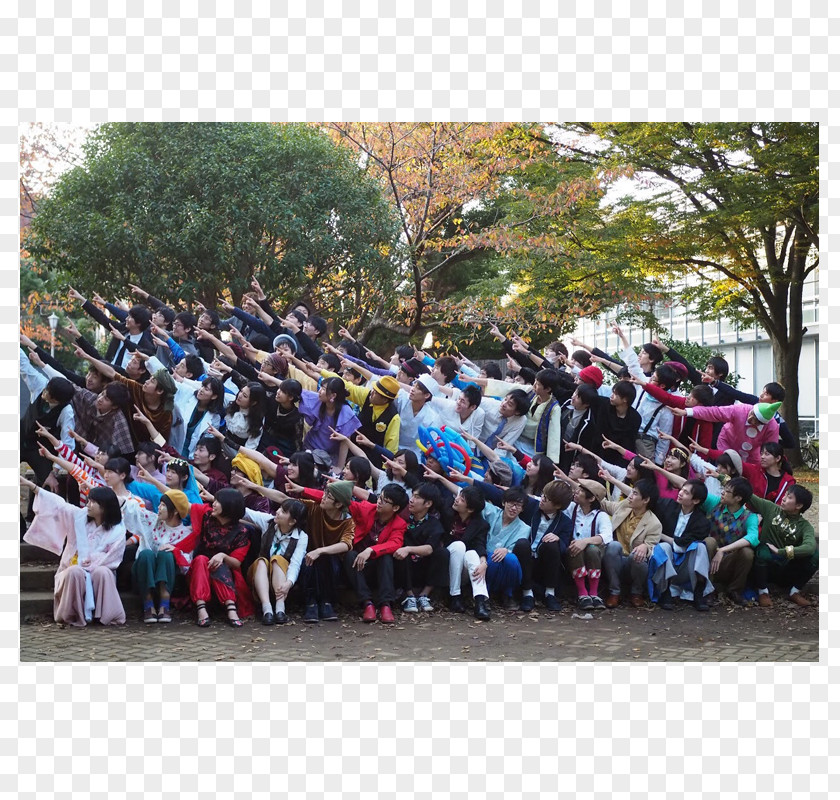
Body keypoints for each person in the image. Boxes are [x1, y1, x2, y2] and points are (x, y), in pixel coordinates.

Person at [22, 477, 126, 627]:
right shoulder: (79, 517)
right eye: (88, 501)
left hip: (100, 568)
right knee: (75, 572)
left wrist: (90, 564)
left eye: (92, 502)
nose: (88, 505)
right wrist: (32, 486)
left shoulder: (117, 530)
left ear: (104, 507)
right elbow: (58, 505)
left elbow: (113, 558)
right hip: (73, 567)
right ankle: (70, 615)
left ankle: (107, 616)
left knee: (102, 572)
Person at [181, 488, 255, 627]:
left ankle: (230, 607)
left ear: (229, 505)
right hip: (200, 570)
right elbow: (180, 501)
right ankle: (201, 608)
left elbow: (236, 563)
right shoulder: (206, 516)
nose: (213, 504)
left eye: (218, 501)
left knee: (218, 563)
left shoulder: (241, 531)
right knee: (201, 559)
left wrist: (222, 556)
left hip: (226, 573)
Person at [122, 489, 194, 623]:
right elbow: (132, 509)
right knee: (146, 554)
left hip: (169, 581)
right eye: (160, 504)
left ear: (176, 510)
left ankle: (164, 600)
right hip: (143, 576)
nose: (159, 508)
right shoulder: (152, 521)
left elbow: (186, 565)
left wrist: (175, 550)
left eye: (163, 505)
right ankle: (148, 602)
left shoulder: (185, 534)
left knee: (166, 554)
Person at [342, 484, 409, 624]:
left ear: (395, 508)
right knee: (350, 555)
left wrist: (371, 550)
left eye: (384, 501)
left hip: (379, 569)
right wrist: (303, 490)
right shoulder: (367, 509)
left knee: (385, 556)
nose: (379, 501)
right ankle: (367, 603)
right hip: (358, 567)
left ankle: (386, 604)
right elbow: (343, 501)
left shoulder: (399, 524)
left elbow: (395, 543)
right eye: (380, 497)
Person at [648, 479, 714, 611]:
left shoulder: (702, 521)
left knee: (700, 547)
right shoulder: (668, 505)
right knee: (663, 547)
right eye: (682, 489)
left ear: (695, 501)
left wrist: (660, 535)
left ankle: (699, 591)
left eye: (686, 492)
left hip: (687, 567)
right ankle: (665, 591)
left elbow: (684, 544)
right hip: (665, 562)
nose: (680, 493)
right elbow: (645, 498)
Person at [510, 479, 574, 612]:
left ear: (557, 505)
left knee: (552, 544)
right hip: (525, 559)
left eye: (547, 498)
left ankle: (550, 593)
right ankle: (527, 593)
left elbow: (563, 548)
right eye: (543, 495)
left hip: (544, 564)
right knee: (522, 544)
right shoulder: (531, 507)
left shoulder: (565, 522)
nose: (542, 499)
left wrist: (558, 539)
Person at [243, 498, 309, 625]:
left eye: (283, 511)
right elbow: (246, 512)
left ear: (292, 522)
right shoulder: (268, 522)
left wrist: (289, 583)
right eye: (280, 508)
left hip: (281, 580)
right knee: (262, 561)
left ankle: (280, 608)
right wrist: (217, 499)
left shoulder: (301, 537)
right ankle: (266, 608)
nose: (277, 512)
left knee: (277, 559)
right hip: (260, 576)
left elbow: (295, 563)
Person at [750, 486, 817, 608]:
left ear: (798, 506)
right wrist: (722, 477)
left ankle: (794, 591)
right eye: (785, 495)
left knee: (816, 556)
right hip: (765, 565)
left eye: (789, 497)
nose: (784, 499)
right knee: (762, 550)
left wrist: (782, 551)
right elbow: (749, 495)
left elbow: (810, 547)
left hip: (787, 567)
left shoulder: (804, 526)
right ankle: (763, 592)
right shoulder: (771, 508)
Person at [600, 478, 662, 608]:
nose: (630, 496)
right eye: (632, 492)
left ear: (646, 500)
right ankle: (614, 592)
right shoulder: (624, 507)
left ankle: (636, 592)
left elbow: (652, 547)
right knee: (613, 545)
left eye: (635, 494)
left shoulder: (654, 523)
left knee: (638, 555)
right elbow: (604, 504)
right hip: (615, 559)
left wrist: (646, 546)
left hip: (633, 564)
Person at [700, 477, 759, 605]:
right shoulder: (715, 504)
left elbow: (753, 537)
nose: (722, 492)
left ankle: (735, 590)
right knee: (709, 541)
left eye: (727, 491)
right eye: (723, 489)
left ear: (738, 498)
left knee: (747, 552)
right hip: (707, 557)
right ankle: (707, 589)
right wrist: (657, 468)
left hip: (728, 561)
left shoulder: (749, 517)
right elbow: (692, 489)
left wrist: (722, 550)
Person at [394, 483, 449, 612]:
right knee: (401, 552)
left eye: (417, 497)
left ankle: (424, 595)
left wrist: (409, 549)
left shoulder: (434, 523)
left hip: (424, 568)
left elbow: (430, 548)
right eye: (412, 495)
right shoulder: (402, 519)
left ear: (428, 504)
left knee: (442, 553)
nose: (411, 500)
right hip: (404, 567)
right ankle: (409, 596)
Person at [674, 401, 781, 467]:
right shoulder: (739, 410)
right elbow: (715, 412)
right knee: (724, 467)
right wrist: (688, 412)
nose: (750, 418)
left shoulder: (772, 427)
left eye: (755, 420)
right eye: (751, 413)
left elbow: (771, 450)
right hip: (727, 443)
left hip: (752, 454)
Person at [561, 478, 613, 610]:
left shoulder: (601, 516)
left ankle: (594, 593)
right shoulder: (571, 508)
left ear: (591, 499)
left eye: (582, 491)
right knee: (574, 548)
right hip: (573, 553)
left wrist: (585, 541)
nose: (576, 491)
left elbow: (606, 536)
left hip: (593, 555)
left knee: (592, 549)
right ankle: (582, 592)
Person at [444, 485, 492, 620]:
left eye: (462, 499)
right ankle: (455, 596)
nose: (457, 499)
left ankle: (480, 601)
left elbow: (480, 544)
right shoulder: (447, 512)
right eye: (459, 495)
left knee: (471, 554)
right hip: (444, 565)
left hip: (462, 572)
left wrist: (483, 562)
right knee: (459, 546)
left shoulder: (481, 524)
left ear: (470, 509)